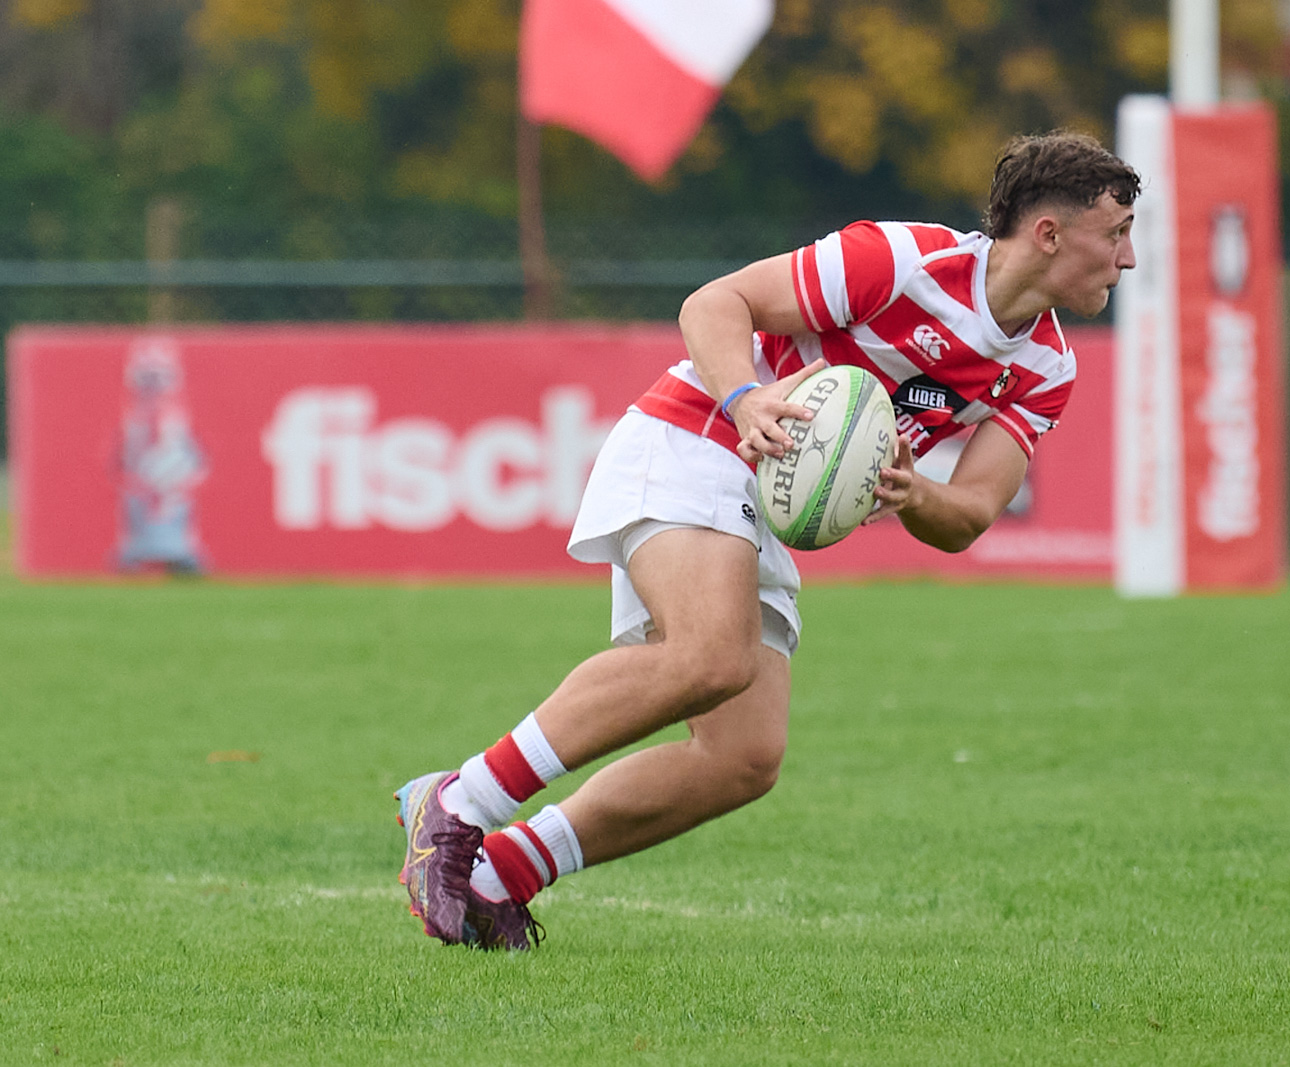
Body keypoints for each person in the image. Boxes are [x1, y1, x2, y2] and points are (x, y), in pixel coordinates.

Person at [394, 132, 1139, 952]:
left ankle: (502, 875)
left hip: (764, 506)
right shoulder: (901, 260)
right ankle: (460, 803)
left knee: (742, 758)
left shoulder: (1044, 368)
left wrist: (913, 488)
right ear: (1048, 233)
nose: (1128, 259)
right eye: (1116, 234)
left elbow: (967, 514)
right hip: (701, 435)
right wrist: (748, 398)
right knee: (713, 657)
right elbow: (713, 306)